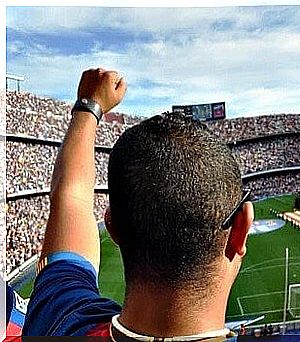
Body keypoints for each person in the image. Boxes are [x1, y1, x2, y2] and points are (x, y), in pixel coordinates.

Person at [23, 68, 254, 339]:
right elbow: (70, 199)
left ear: (112, 227)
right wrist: (88, 108)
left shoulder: (60, 318)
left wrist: (89, 107)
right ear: (241, 227)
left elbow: (70, 199)